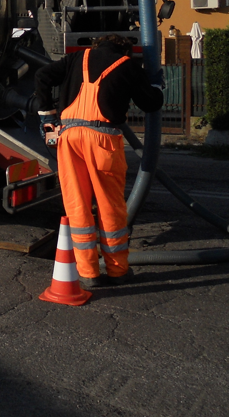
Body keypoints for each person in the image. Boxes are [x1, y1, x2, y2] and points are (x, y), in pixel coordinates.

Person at [34, 35, 163, 288]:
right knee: (109, 205)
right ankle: (117, 271)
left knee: (77, 204)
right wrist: (156, 85)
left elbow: (42, 76)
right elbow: (151, 103)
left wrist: (47, 116)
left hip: (68, 137)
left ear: (96, 46)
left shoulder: (76, 59)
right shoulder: (127, 65)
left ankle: (88, 274)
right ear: (125, 50)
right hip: (103, 140)